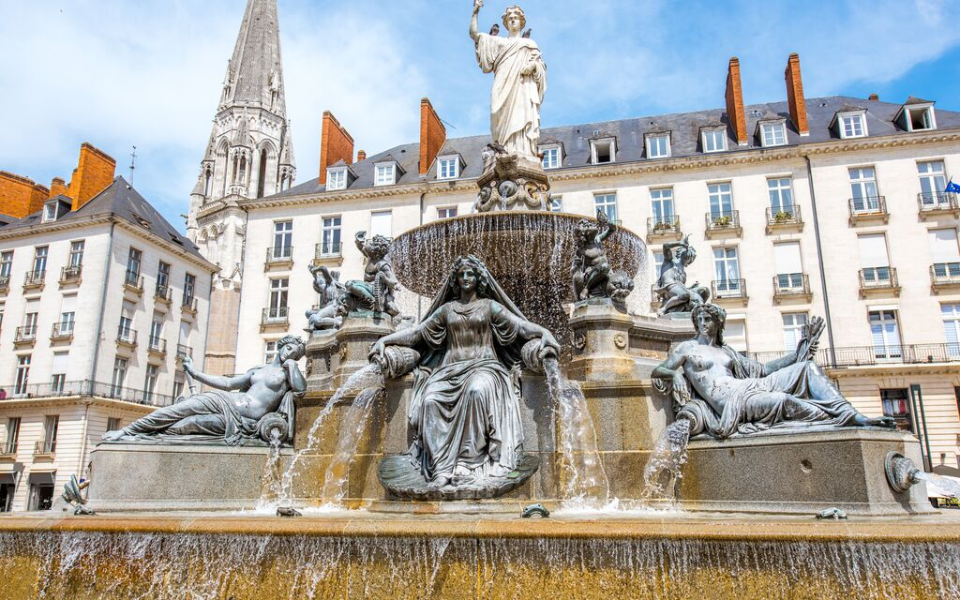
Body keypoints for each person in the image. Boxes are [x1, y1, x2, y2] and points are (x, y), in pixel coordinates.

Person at [370, 255, 559, 488]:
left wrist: (543, 333)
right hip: (449, 371)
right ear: (456, 280)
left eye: (470, 274)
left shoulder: (490, 306)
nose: (466, 278)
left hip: (485, 367)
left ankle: (467, 463)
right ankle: (441, 468)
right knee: (429, 400)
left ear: (478, 278)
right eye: (462, 274)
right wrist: (386, 340)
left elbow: (519, 326)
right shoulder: (447, 310)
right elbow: (417, 333)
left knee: (476, 392)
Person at [653, 303, 895, 438]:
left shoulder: (728, 353)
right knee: (782, 400)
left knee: (807, 368)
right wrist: (674, 374)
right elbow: (659, 370)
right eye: (700, 320)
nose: (703, 324)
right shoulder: (687, 348)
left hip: (750, 387)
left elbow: (765, 369)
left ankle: (852, 415)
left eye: (708, 319)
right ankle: (838, 419)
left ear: (718, 324)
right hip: (732, 403)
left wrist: (801, 348)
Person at [102, 335, 306, 445]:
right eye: (288, 349)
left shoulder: (288, 374)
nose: (289, 355)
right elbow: (227, 384)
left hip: (243, 418)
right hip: (226, 400)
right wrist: (195, 373)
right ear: (281, 347)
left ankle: (146, 435)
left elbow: (301, 391)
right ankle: (126, 431)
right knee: (180, 410)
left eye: (295, 354)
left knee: (188, 424)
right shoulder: (257, 370)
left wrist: (293, 367)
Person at [469, 1, 547, 161]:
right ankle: (502, 149)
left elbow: (541, 68)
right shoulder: (499, 42)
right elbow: (474, 34)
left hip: (522, 87)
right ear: (505, 23)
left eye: (516, 17)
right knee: (495, 112)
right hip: (502, 85)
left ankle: (522, 150)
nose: (512, 20)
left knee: (522, 115)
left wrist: (532, 65)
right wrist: (475, 12)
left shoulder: (529, 44)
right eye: (510, 18)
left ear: (521, 21)